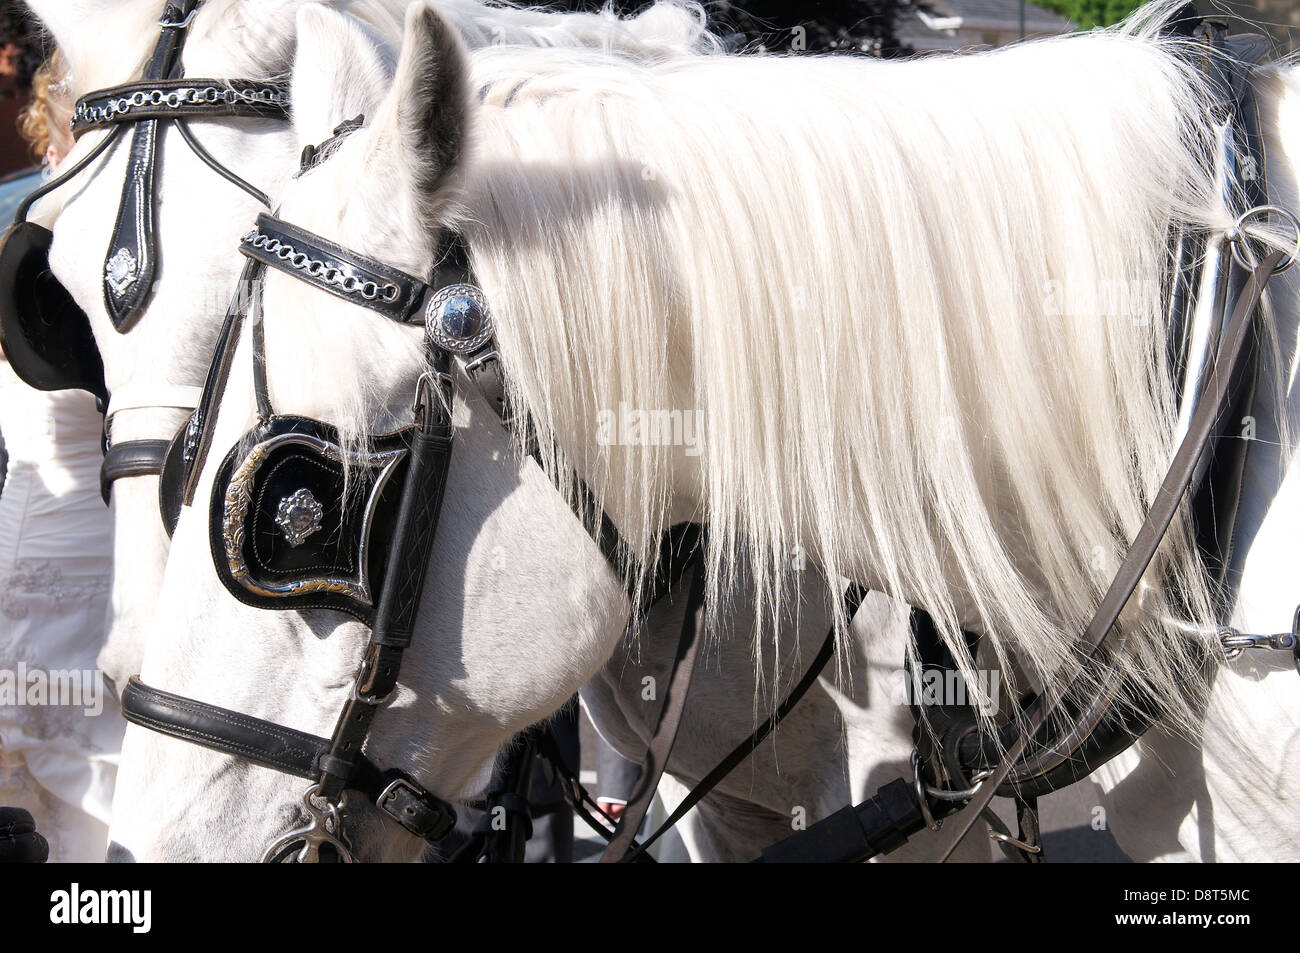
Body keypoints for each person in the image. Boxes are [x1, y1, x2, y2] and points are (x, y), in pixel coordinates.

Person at [0, 51, 121, 863]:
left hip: (53, 514)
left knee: (54, 725)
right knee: (70, 731)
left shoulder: (22, 220)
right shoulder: (93, 229)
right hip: (63, 509)